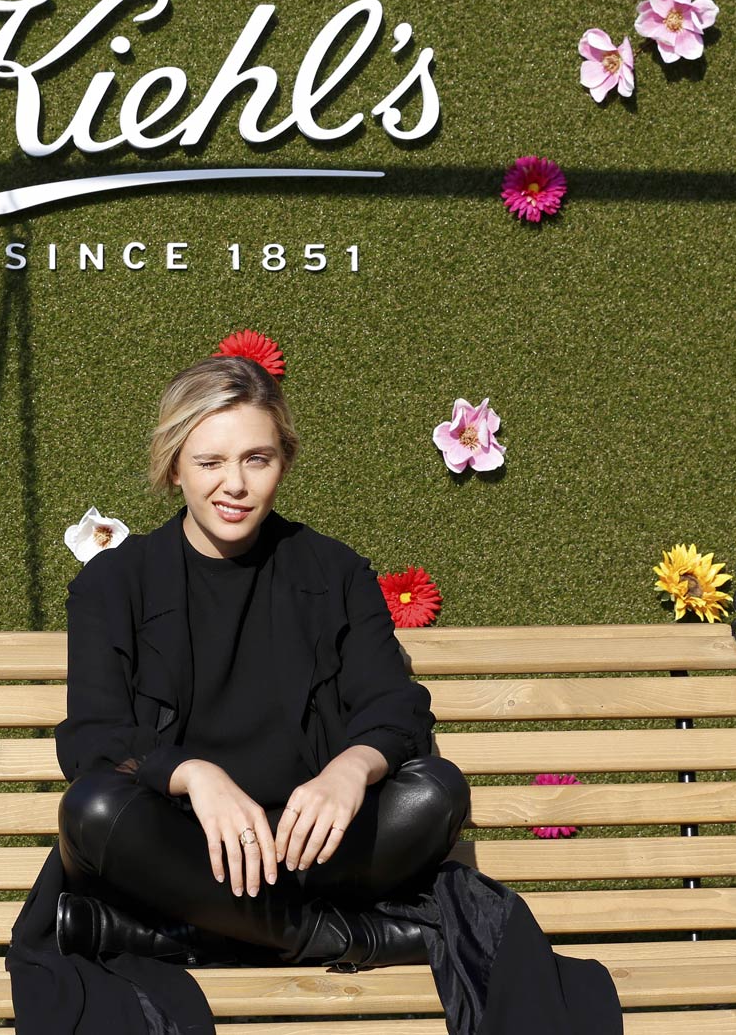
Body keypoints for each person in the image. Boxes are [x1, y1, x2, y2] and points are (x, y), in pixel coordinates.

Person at [52, 354, 471, 969]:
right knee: (93, 810)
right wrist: (193, 774)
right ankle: (346, 938)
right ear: (173, 468)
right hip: (183, 847)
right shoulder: (114, 583)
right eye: (210, 462)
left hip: (312, 852)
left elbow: (397, 708)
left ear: (284, 461)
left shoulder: (335, 572)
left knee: (438, 792)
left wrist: (350, 771)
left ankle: (180, 937)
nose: (235, 485)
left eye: (257, 458)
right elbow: (93, 738)